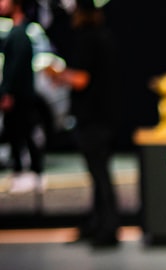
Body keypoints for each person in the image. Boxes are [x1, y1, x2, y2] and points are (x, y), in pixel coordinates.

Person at [44, 0, 120, 248]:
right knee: (98, 174)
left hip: (93, 117)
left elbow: (82, 79)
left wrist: (58, 75)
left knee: (99, 174)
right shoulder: (102, 37)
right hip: (101, 115)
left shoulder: (90, 40)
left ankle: (107, 228)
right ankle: (99, 224)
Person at [0, 0, 45, 194]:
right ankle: (28, 172)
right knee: (19, 133)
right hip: (21, 93)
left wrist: (7, 92)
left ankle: (32, 173)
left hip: (20, 95)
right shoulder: (17, 30)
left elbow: (14, 68)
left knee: (22, 132)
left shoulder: (21, 33)